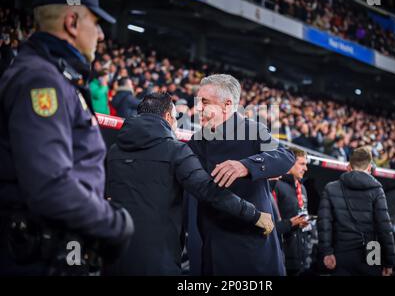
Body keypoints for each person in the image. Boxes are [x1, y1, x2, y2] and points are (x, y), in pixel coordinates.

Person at [0, 0, 133, 275]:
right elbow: (49, 185)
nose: (100, 34)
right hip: (37, 259)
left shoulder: (52, 75)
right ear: (72, 22)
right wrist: (116, 223)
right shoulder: (41, 79)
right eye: (95, 23)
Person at [105, 92, 273, 275]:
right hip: (156, 260)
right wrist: (253, 214)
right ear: (168, 117)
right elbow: (209, 190)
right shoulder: (176, 150)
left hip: (115, 254)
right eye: (176, 117)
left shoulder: (114, 150)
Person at [187, 74, 296, 275]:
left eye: (205, 102)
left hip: (253, 243)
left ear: (227, 105)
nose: (198, 108)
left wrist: (246, 166)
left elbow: (285, 157)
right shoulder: (198, 140)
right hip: (213, 242)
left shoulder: (252, 129)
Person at [318, 146, 395, 276]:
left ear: (349, 166)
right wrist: (389, 262)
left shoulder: (330, 188)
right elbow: (385, 228)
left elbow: (324, 223)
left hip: (341, 250)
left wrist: (327, 252)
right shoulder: (377, 191)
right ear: (370, 168)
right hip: (372, 250)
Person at [271, 148, 312, 276]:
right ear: (289, 163)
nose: (305, 168)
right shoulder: (275, 186)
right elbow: (269, 227)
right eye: (302, 164)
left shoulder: (303, 188)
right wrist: (290, 224)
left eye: (306, 164)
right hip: (280, 258)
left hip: (300, 258)